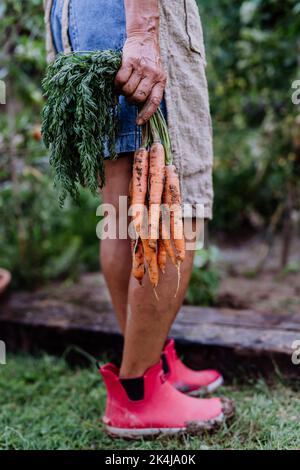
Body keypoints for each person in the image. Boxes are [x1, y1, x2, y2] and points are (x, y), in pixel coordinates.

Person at [45, 0, 232, 438]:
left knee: (120, 206)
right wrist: (144, 32)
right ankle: (139, 392)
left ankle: (153, 363)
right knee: (174, 210)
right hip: (130, 17)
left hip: (80, 14)